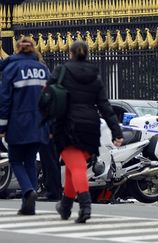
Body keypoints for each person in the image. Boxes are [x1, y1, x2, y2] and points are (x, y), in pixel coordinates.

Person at [50, 41, 123, 224]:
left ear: (71, 54)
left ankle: (85, 206)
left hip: (67, 124)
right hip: (91, 125)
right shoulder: (94, 74)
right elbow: (104, 105)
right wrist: (116, 131)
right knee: (74, 166)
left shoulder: (62, 70)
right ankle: (65, 206)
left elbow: (49, 96)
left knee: (76, 167)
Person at [0, 37, 50, 215]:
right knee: (29, 160)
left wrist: (2, 127)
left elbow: (4, 100)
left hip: (18, 123)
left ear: (16, 49)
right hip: (40, 123)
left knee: (15, 160)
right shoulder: (42, 69)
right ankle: (29, 204)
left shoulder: (12, 68)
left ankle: (28, 191)